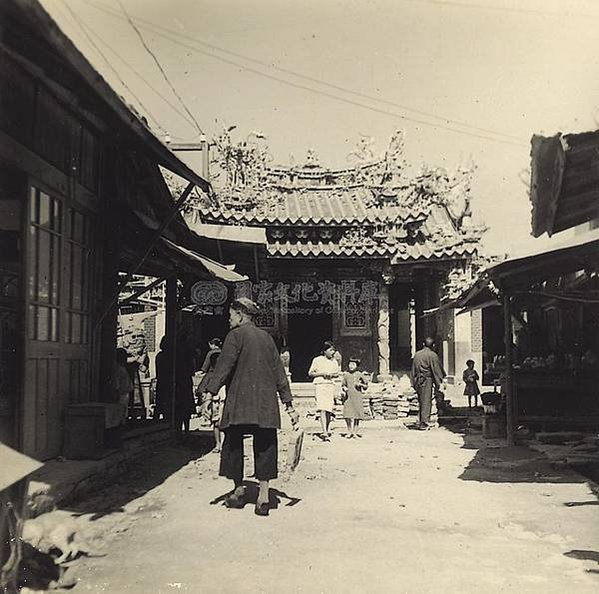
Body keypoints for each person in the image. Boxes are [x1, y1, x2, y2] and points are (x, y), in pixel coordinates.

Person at [202, 298, 299, 517]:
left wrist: (209, 394)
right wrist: (289, 405)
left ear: (240, 315)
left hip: (240, 402)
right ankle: (263, 496)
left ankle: (238, 490)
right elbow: (279, 373)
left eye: (230, 315)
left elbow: (223, 367)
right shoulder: (267, 338)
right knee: (265, 445)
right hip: (265, 404)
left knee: (233, 444)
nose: (228, 319)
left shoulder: (234, 336)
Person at [308, 341, 341, 441]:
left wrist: (331, 375)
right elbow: (310, 373)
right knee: (322, 408)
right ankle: (324, 432)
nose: (333, 352)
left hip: (330, 385)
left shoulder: (334, 361)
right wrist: (322, 373)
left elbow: (337, 373)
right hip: (320, 384)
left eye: (333, 350)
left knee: (329, 409)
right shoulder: (317, 360)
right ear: (324, 351)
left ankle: (326, 429)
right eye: (330, 350)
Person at [411, 337, 446, 430]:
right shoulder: (432, 355)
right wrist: (440, 382)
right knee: (426, 401)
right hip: (427, 380)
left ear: (423, 344)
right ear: (433, 345)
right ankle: (424, 423)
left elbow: (413, 370)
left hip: (418, 379)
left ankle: (420, 419)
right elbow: (437, 369)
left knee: (421, 401)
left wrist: (413, 382)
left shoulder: (417, 355)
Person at [197, 338, 225, 451]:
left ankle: (218, 443)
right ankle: (221, 443)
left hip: (215, 395)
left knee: (216, 420)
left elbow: (204, 368)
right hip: (221, 396)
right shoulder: (223, 353)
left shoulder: (211, 354)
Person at [174, 332, 196, 435]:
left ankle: (178, 429)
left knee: (178, 408)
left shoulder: (176, 354)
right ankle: (186, 430)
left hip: (178, 383)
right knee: (186, 408)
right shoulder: (188, 355)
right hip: (185, 382)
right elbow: (192, 369)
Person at [341, 357, 368, 438]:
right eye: (350, 364)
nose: (351, 366)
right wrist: (344, 388)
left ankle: (355, 432)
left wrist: (361, 385)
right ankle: (349, 431)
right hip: (348, 397)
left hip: (357, 396)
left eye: (353, 364)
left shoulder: (360, 374)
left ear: (357, 365)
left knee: (357, 414)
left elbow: (366, 385)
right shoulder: (346, 375)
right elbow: (343, 385)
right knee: (347, 414)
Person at [115, 348, 133, 425]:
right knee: (121, 411)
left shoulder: (121, 369)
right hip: (121, 393)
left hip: (124, 393)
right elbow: (117, 383)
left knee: (123, 411)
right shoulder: (120, 370)